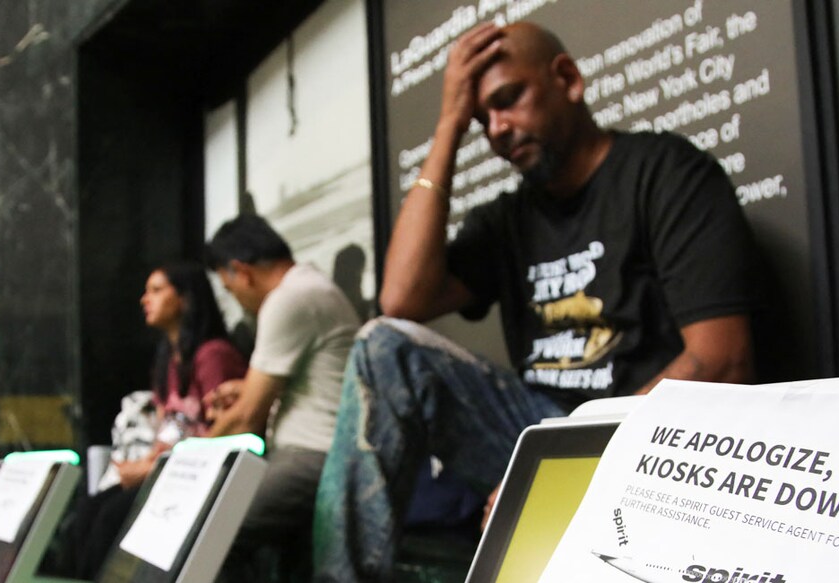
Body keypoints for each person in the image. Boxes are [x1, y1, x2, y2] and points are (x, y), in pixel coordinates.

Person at [312, 21, 759, 581]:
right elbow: (400, 299)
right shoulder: (507, 219)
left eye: (508, 101)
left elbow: (722, 361)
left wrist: (567, 468)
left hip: (646, 440)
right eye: (482, 120)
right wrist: (449, 124)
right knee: (383, 346)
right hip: (540, 432)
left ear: (567, 79)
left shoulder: (665, 172)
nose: (497, 129)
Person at [203, 214, 360, 579]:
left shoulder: (290, 299)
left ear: (241, 271)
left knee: (212, 534)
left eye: (230, 289)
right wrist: (245, 390)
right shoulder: (309, 287)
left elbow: (246, 418)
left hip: (312, 456)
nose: (237, 299)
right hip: (315, 451)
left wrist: (190, 456)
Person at [73, 262, 247, 579]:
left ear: (185, 298)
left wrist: (152, 469)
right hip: (166, 467)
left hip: (198, 473)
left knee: (113, 516)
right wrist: (147, 464)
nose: (144, 299)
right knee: (88, 511)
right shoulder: (168, 355)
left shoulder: (214, 355)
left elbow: (224, 429)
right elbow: (167, 429)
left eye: (156, 290)